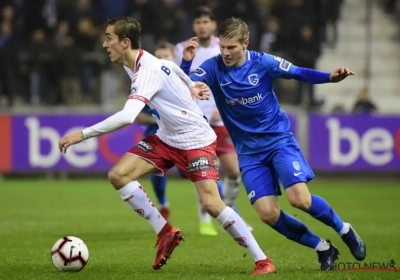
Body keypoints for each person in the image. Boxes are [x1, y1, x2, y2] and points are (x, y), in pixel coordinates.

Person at [58, 17, 275, 275]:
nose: (104, 44)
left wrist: (82, 135)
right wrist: (191, 84)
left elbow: (128, 116)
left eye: (108, 37)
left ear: (125, 42)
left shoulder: (144, 70)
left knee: (212, 205)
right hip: (167, 137)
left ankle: (263, 260)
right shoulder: (138, 61)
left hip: (195, 139)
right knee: (118, 175)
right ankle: (165, 231)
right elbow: (168, 66)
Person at [178, 17, 366, 271]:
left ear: (245, 43)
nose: (225, 53)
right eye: (222, 47)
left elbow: (298, 72)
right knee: (267, 214)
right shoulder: (213, 67)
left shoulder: (263, 62)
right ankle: (323, 247)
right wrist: (187, 64)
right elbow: (186, 82)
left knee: (300, 199)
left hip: (278, 141)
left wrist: (330, 78)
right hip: (248, 153)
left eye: (231, 47)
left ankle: (345, 230)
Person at [174, 6, 249, 236]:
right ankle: (206, 220)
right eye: (198, 22)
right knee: (205, 173)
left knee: (234, 172)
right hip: (195, 121)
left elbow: (236, 78)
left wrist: (222, 106)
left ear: (213, 24)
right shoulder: (182, 49)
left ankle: (229, 209)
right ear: (194, 25)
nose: (202, 26)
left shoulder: (225, 47)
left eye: (206, 21)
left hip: (220, 118)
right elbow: (178, 81)